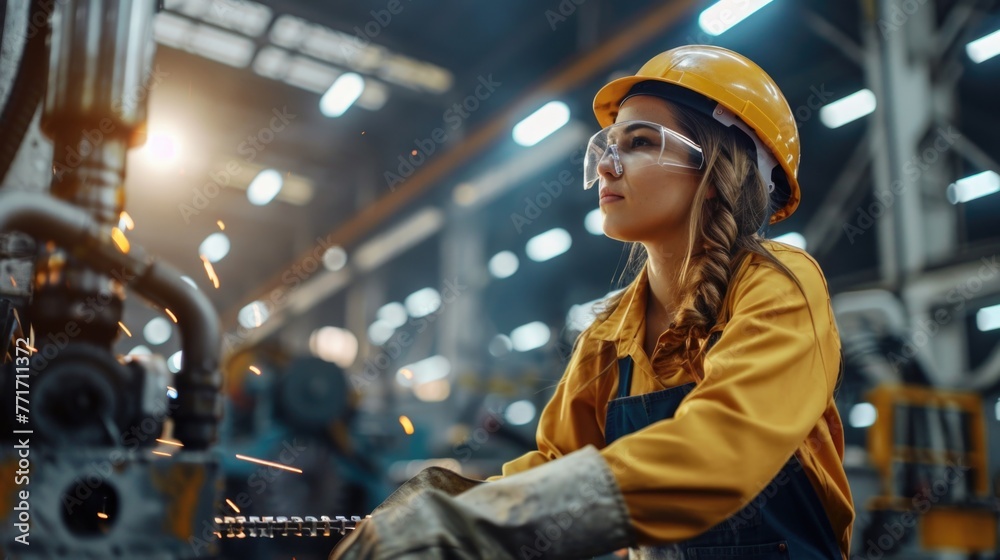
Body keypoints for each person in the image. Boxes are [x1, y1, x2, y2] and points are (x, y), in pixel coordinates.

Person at [331, 45, 854, 560]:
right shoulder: (610, 334)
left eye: (641, 142)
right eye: (608, 146)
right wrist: (452, 505)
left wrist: (484, 522)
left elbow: (725, 448)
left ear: (719, 171)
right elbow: (560, 462)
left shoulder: (779, 285)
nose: (606, 166)